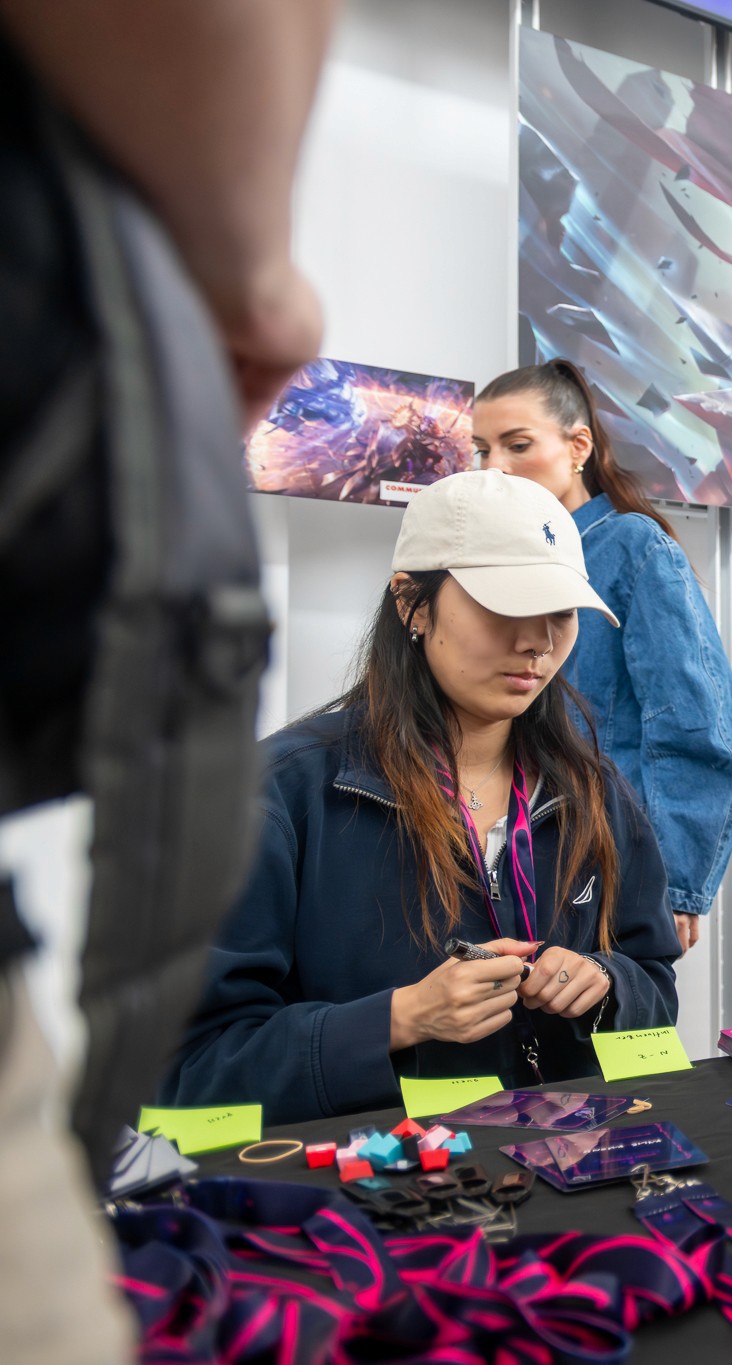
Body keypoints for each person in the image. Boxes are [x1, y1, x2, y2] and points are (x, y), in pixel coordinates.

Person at [0, 2, 337, 1358]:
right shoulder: (305, 780)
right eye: (508, 621)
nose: (537, 656)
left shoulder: (580, 781)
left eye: (554, 630)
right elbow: (210, 1058)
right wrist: (254, 269)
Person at [163, 472, 682, 1124]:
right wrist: (399, 1018)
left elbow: (655, 982)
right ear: (411, 603)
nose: (538, 643)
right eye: (507, 606)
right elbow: (189, 1073)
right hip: (377, 1201)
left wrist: (610, 985)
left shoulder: (594, 791)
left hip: (566, 1178)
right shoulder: (282, 794)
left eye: (560, 612)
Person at [475, 359, 732, 956]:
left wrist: (675, 883)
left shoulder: (632, 547)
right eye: (482, 449)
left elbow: (697, 726)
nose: (494, 468)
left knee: (608, 1041)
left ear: (578, 447)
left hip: (606, 859)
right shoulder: (495, 561)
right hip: (504, 856)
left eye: (517, 445)